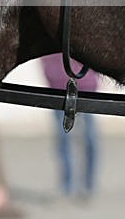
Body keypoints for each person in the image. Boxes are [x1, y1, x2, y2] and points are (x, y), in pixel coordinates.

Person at [40, 53, 99, 200]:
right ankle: (67, 186)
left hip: (86, 89)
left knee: (89, 139)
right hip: (58, 89)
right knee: (63, 140)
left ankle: (88, 185)